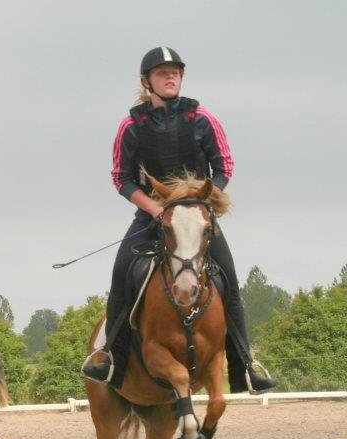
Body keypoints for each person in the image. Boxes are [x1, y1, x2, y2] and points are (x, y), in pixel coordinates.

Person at [81, 46, 276, 394]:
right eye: (162, 73)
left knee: (228, 279)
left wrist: (202, 203)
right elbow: (120, 178)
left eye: (175, 72)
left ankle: (246, 364)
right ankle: (110, 356)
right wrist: (156, 210)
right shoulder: (131, 125)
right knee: (122, 273)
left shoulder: (202, 118)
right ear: (147, 82)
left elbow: (224, 166)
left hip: (197, 217)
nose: (171, 76)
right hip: (152, 214)